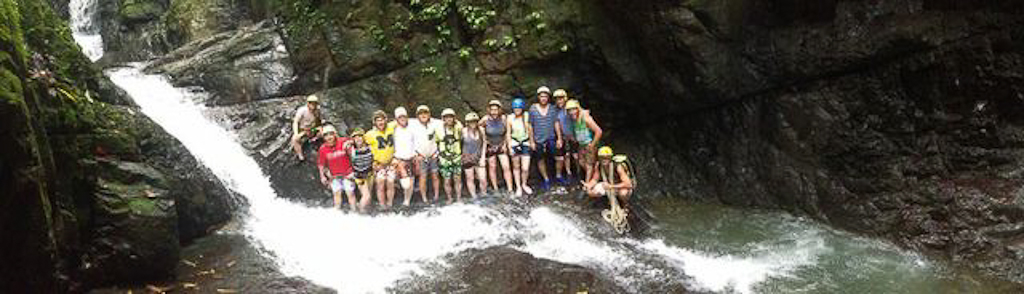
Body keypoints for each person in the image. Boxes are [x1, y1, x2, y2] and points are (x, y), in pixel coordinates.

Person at [583, 146, 634, 234]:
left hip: (617, 186)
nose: (604, 160)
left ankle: (625, 206)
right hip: (608, 185)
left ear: (610, 158)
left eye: (606, 157)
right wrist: (588, 185)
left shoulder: (617, 166)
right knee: (592, 192)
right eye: (602, 158)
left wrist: (611, 186)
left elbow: (628, 184)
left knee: (623, 194)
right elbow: (595, 179)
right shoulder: (599, 165)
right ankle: (607, 200)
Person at [411, 105, 444, 204]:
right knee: (423, 177)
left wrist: (437, 153)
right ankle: (424, 198)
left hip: (433, 154)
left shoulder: (435, 123)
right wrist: (415, 155)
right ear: (417, 115)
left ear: (429, 114)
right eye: (421, 113)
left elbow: (449, 120)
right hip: (421, 156)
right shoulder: (412, 124)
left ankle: (436, 196)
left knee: (435, 176)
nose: (423, 115)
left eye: (425, 113)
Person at [317, 125, 355, 210]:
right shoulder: (323, 149)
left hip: (347, 174)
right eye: (326, 135)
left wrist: (350, 143)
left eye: (331, 134)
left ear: (335, 134)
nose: (329, 137)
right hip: (334, 176)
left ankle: (354, 211)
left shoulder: (343, 141)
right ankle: (337, 213)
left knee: (350, 193)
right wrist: (322, 176)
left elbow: (355, 140)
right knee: (337, 194)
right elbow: (321, 164)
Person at [365, 110, 397, 209]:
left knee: (391, 182)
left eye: (382, 120)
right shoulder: (370, 134)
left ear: (386, 120)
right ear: (374, 122)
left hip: (391, 162)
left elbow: (403, 119)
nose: (381, 122)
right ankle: (382, 205)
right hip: (379, 164)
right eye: (378, 120)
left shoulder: (391, 127)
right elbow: (359, 142)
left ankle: (390, 204)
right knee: (380, 183)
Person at [481, 100, 514, 195]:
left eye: (496, 110)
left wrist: (505, 144)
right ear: (489, 110)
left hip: (501, 145)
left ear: (499, 110)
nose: (494, 112)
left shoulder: (503, 118)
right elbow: (477, 127)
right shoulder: (485, 119)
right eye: (492, 110)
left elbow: (507, 131)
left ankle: (510, 188)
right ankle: (495, 189)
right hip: (490, 146)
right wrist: (485, 139)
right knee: (492, 167)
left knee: (506, 166)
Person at [566, 99, 603, 184]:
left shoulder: (586, 118)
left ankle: (587, 184)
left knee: (589, 164)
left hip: (589, 144)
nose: (572, 112)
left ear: (578, 108)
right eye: (569, 110)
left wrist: (592, 145)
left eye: (573, 109)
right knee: (581, 162)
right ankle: (595, 177)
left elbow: (599, 131)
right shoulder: (574, 120)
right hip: (581, 145)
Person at [529, 86, 558, 190]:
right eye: (542, 96)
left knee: (558, 157)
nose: (544, 98)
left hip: (551, 137)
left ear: (548, 98)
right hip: (538, 139)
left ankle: (558, 176)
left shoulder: (552, 108)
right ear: (538, 97)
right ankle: (546, 179)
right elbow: (530, 125)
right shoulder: (533, 109)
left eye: (545, 96)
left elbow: (556, 123)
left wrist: (559, 138)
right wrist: (532, 141)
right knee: (540, 159)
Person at [507, 97, 534, 197]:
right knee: (516, 166)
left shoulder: (527, 116)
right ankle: (518, 186)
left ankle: (524, 184)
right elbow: (508, 133)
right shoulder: (510, 118)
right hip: (515, 142)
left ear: (522, 108)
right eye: (515, 108)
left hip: (525, 142)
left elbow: (530, 129)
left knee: (525, 168)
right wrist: (509, 146)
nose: (517, 110)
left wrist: (532, 142)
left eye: (518, 108)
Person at [436, 108, 463, 203]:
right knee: (447, 180)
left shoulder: (458, 128)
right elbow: (436, 143)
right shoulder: (439, 130)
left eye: (451, 117)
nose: (449, 119)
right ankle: (449, 198)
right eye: (446, 117)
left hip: (456, 158)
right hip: (445, 160)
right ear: (443, 119)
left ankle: (459, 198)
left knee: (457, 179)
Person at [392, 107, 417, 206]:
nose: (402, 118)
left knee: (411, 181)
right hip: (400, 159)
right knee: (405, 183)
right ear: (396, 119)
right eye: (400, 117)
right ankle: (400, 194)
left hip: (411, 157)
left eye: (404, 116)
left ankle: (407, 201)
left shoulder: (412, 127)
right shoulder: (393, 129)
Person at [552, 89, 576, 185]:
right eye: (557, 99)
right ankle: (559, 175)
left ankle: (571, 173)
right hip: (562, 136)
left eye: (561, 99)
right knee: (561, 157)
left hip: (572, 136)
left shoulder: (570, 108)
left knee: (572, 156)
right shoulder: (555, 110)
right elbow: (557, 123)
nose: (559, 101)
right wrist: (559, 138)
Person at [461, 112, 487, 198]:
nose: (473, 123)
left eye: (474, 121)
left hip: (478, 157)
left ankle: (484, 194)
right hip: (467, 158)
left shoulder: (481, 130)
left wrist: (483, 157)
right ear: (467, 122)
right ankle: (474, 196)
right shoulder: (463, 131)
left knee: (483, 179)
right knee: (470, 178)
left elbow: (484, 143)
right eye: (471, 121)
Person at [349, 128, 375, 212]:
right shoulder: (352, 150)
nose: (358, 139)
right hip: (359, 176)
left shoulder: (370, 147)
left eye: (360, 136)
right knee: (366, 196)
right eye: (355, 137)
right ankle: (359, 212)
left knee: (369, 195)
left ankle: (367, 211)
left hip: (369, 174)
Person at [291, 95, 323, 161]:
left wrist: (319, 127)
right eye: (311, 103)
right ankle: (300, 154)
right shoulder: (302, 110)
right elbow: (295, 122)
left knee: (323, 132)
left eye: (315, 103)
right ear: (308, 103)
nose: (313, 105)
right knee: (294, 139)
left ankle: (314, 140)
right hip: (303, 130)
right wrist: (296, 133)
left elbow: (319, 121)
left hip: (312, 129)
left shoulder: (317, 110)